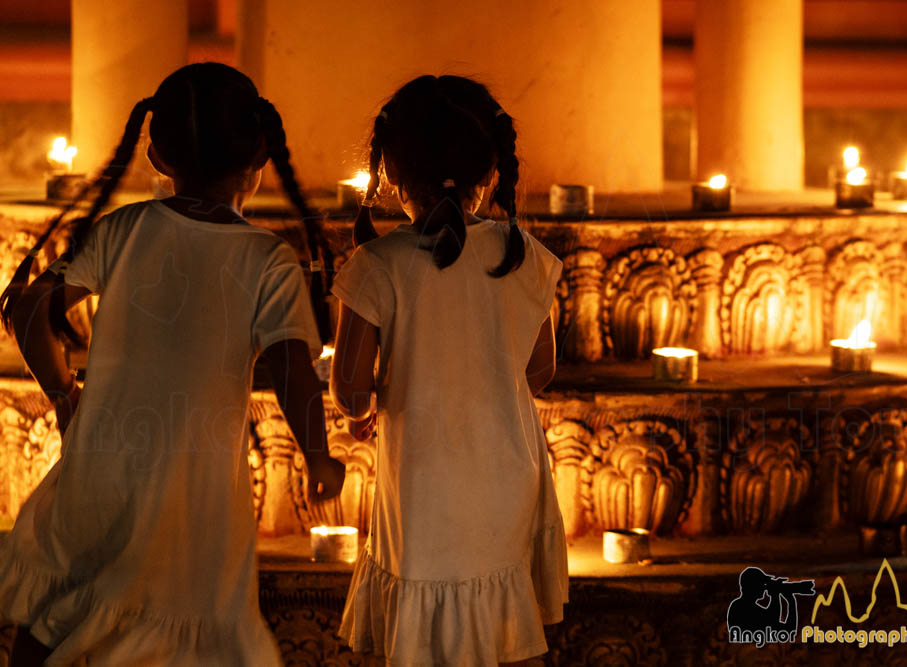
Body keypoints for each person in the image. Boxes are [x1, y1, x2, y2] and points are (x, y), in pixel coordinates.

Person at [0, 62, 344, 666]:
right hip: (194, 491)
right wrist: (316, 455)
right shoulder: (269, 260)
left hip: (100, 470)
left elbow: (27, 310)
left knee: (65, 611)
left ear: (157, 154)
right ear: (260, 149)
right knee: (184, 633)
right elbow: (293, 368)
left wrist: (63, 395)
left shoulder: (123, 229)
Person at [331, 74, 568, 666]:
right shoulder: (527, 257)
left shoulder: (376, 265)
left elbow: (350, 390)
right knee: (502, 626)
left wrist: (384, 398)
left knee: (421, 632)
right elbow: (540, 372)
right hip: (506, 476)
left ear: (388, 174)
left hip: (421, 486)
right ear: (491, 172)